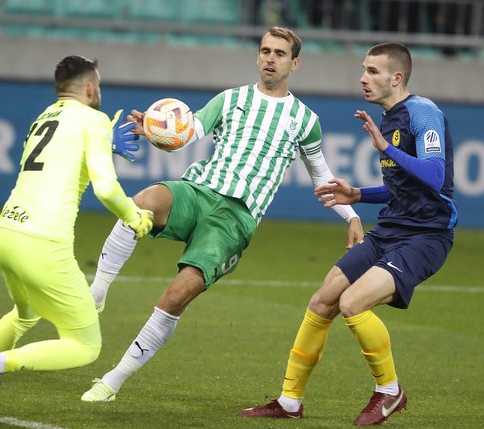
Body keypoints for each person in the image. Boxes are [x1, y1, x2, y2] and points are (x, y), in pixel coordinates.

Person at [80, 26, 363, 403]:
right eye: (265, 51)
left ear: (294, 63)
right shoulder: (230, 99)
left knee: (177, 295)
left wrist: (353, 217)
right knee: (143, 201)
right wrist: (154, 129)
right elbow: (187, 132)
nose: (269, 58)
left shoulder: (304, 120)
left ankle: (113, 380)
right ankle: (97, 292)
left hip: (235, 219)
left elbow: (322, 177)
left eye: (279, 53)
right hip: (199, 191)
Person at [239, 42, 457, 425]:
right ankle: (290, 400)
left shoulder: (424, 114)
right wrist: (358, 194)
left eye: (373, 71)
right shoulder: (387, 118)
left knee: (352, 303)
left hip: (425, 236)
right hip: (391, 228)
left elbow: (435, 178)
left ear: (397, 78)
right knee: (323, 299)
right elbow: (402, 187)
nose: (363, 78)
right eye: (363, 69)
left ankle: (390, 392)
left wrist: (386, 145)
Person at [0, 55, 153, 421]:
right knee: (86, 345)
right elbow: (105, 188)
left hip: (7, 232)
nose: (99, 91)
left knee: (24, 315)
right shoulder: (93, 119)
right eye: (98, 85)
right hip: (43, 243)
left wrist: (104, 145)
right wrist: (134, 216)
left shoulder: (44, 117)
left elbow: (60, 159)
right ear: (89, 88)